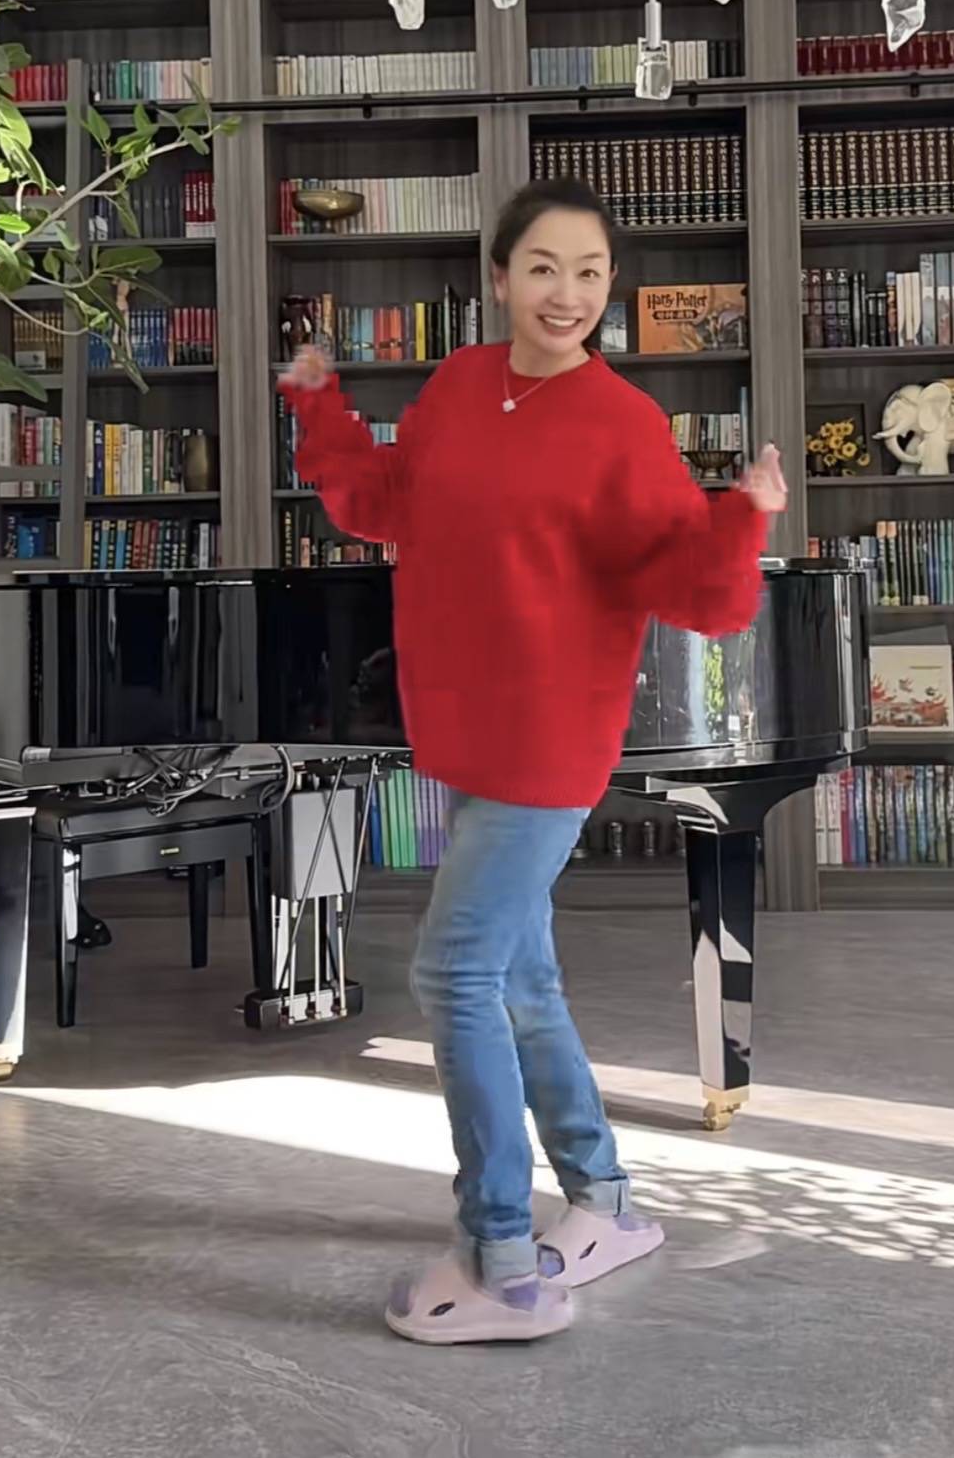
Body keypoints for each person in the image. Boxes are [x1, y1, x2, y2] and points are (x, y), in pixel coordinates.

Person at [278, 177, 787, 1346]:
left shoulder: (622, 423)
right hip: (466, 720)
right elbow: (386, 503)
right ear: (499, 277)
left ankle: (503, 1259)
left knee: (453, 975)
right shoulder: (461, 384)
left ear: (611, 288)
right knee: (518, 980)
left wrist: (743, 517)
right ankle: (605, 1199)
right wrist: (321, 406)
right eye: (546, 268)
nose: (568, 294)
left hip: (553, 736)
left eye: (591, 273)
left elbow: (696, 591)